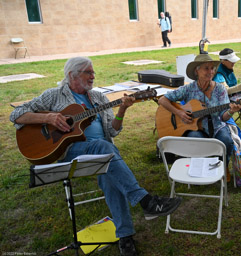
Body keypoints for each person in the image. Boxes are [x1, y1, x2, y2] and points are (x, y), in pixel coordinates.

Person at [9, 57, 182, 256]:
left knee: (110, 174)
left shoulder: (99, 98)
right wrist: (48, 117)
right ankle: (145, 201)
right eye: (88, 72)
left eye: (93, 72)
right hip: (71, 152)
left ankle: (125, 237)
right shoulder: (54, 96)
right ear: (72, 75)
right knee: (103, 148)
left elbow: (113, 130)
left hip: (103, 154)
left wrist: (122, 110)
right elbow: (17, 114)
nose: (93, 76)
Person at [158, 54, 241, 166]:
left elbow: (223, 117)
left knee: (226, 142)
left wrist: (231, 111)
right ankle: (198, 170)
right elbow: (162, 100)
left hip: (217, 126)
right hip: (195, 129)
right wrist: (179, 112)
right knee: (194, 142)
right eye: (206, 68)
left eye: (212, 68)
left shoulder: (220, 89)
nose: (210, 71)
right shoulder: (189, 89)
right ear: (196, 71)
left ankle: (221, 170)